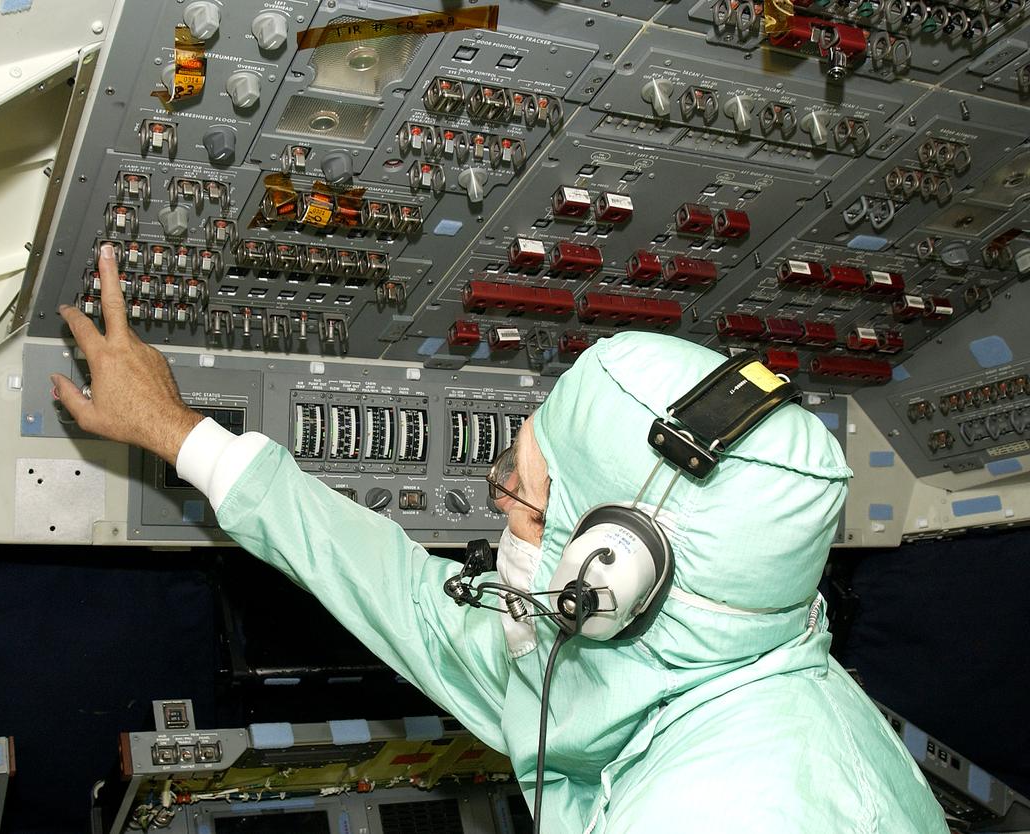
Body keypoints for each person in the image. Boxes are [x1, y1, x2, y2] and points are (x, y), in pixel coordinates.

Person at [52, 245, 948, 833]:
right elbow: (413, 604)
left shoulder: (722, 809)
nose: (502, 507)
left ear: (613, 567)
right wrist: (181, 435)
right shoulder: (713, 665)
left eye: (520, 489)